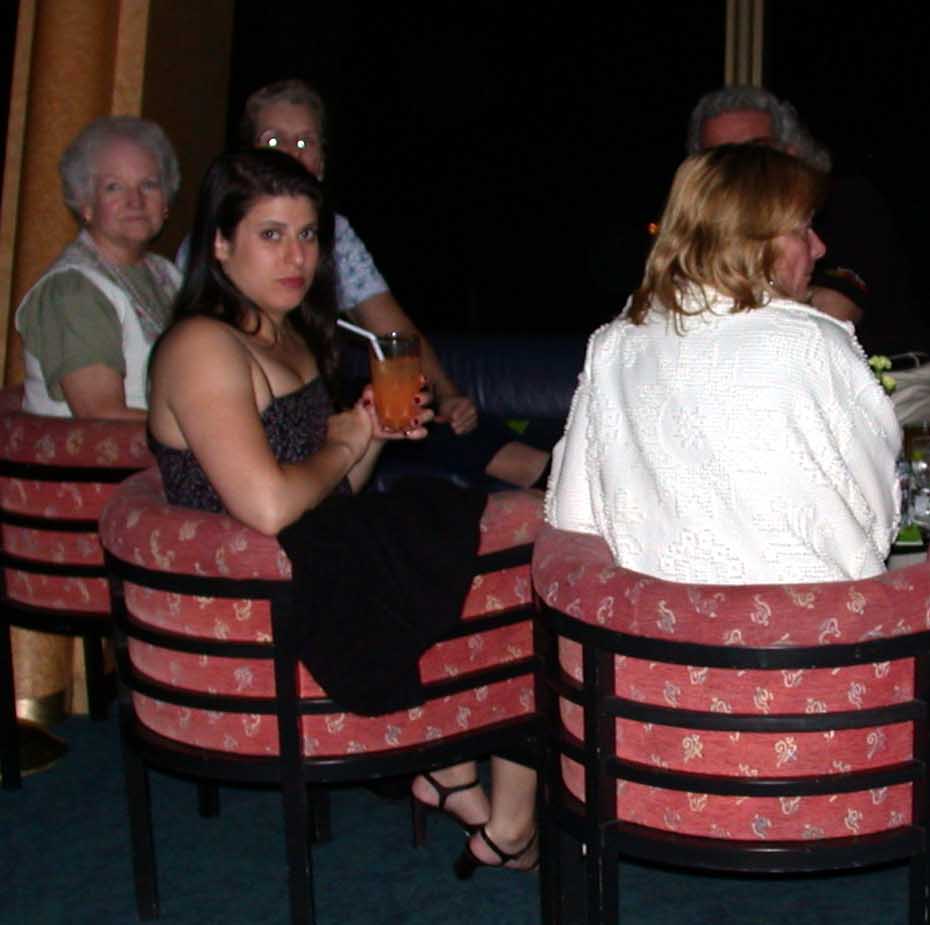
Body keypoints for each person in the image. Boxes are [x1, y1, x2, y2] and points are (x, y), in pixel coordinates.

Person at [147, 148, 537, 877]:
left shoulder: (287, 333)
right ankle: (488, 798)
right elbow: (269, 506)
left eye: (307, 235)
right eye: (271, 235)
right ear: (220, 245)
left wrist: (370, 433)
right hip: (256, 602)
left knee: (499, 538)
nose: (297, 256)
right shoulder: (203, 344)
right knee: (510, 539)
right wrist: (348, 438)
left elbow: (332, 491)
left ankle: (477, 787)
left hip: (315, 562)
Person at [547, 141, 900, 584]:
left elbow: (572, 517)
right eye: (803, 229)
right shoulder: (813, 341)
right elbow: (876, 521)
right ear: (750, 239)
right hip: (806, 623)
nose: (820, 247)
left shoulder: (615, 344)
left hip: (648, 624)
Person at [178, 78, 550, 490]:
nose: (290, 153)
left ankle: (551, 475)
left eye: (304, 142)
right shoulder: (219, 249)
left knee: (421, 408)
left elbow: (392, 331)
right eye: (273, 141)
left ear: (321, 160)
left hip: (321, 418)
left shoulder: (336, 233)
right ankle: (543, 475)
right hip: (255, 432)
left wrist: (447, 395)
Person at [687, 86, 930, 492]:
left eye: (756, 152)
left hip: (896, 387)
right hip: (768, 394)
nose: (742, 171)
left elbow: (829, 319)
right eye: (721, 158)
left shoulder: (845, 202)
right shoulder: (696, 237)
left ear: (790, 152)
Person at [14, 116, 182, 419]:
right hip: (110, 449)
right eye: (113, 187)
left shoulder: (168, 274)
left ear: (166, 202)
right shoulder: (73, 290)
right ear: (86, 204)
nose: (135, 201)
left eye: (148, 185)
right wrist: (210, 433)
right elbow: (100, 413)